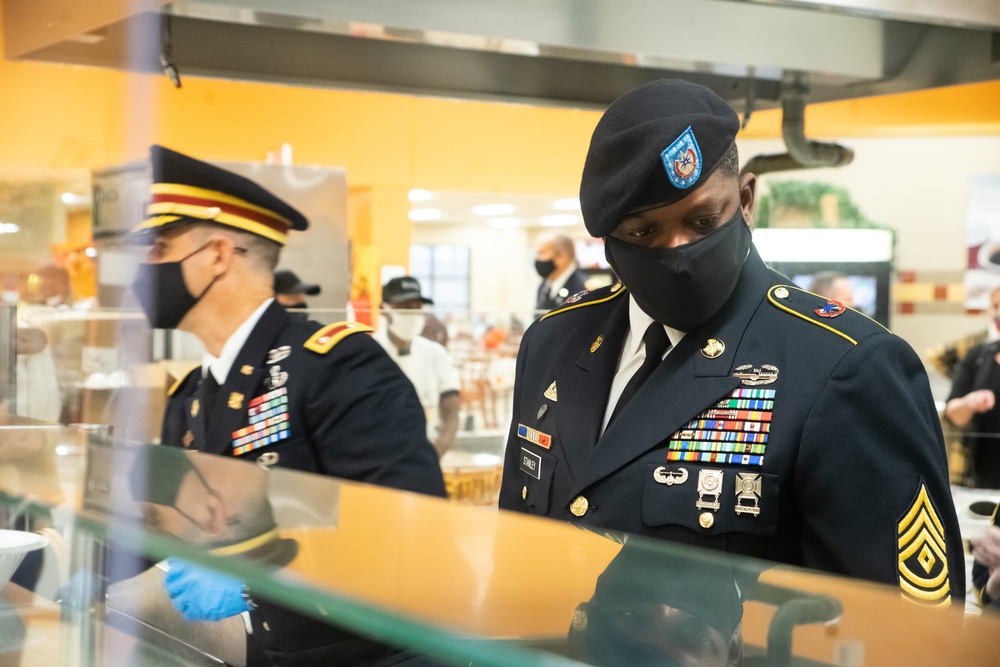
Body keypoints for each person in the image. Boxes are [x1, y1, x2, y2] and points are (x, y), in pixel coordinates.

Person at [498, 79, 964, 604]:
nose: (678, 252)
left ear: (745, 200)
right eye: (643, 233)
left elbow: (901, 634)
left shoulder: (842, 366)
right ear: (608, 241)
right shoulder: (555, 341)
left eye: (701, 221)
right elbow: (520, 547)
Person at [130, 145, 447, 664]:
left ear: (215, 254)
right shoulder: (191, 394)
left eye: (159, 248)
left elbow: (409, 532)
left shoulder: (337, 366)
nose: (144, 268)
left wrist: (255, 575)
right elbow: (172, 529)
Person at [374, 276, 460, 458]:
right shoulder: (370, 352)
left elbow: (451, 412)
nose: (412, 313)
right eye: (404, 307)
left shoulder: (435, 353)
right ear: (384, 309)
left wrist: (433, 456)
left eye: (417, 307)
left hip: (426, 448)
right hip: (379, 453)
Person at [944, 285, 1000, 488]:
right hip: (979, 473)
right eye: (996, 306)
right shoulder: (976, 354)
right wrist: (969, 402)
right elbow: (953, 415)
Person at [534, 232, 588, 312]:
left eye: (541, 253)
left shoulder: (584, 289)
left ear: (561, 257)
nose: (537, 259)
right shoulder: (543, 286)